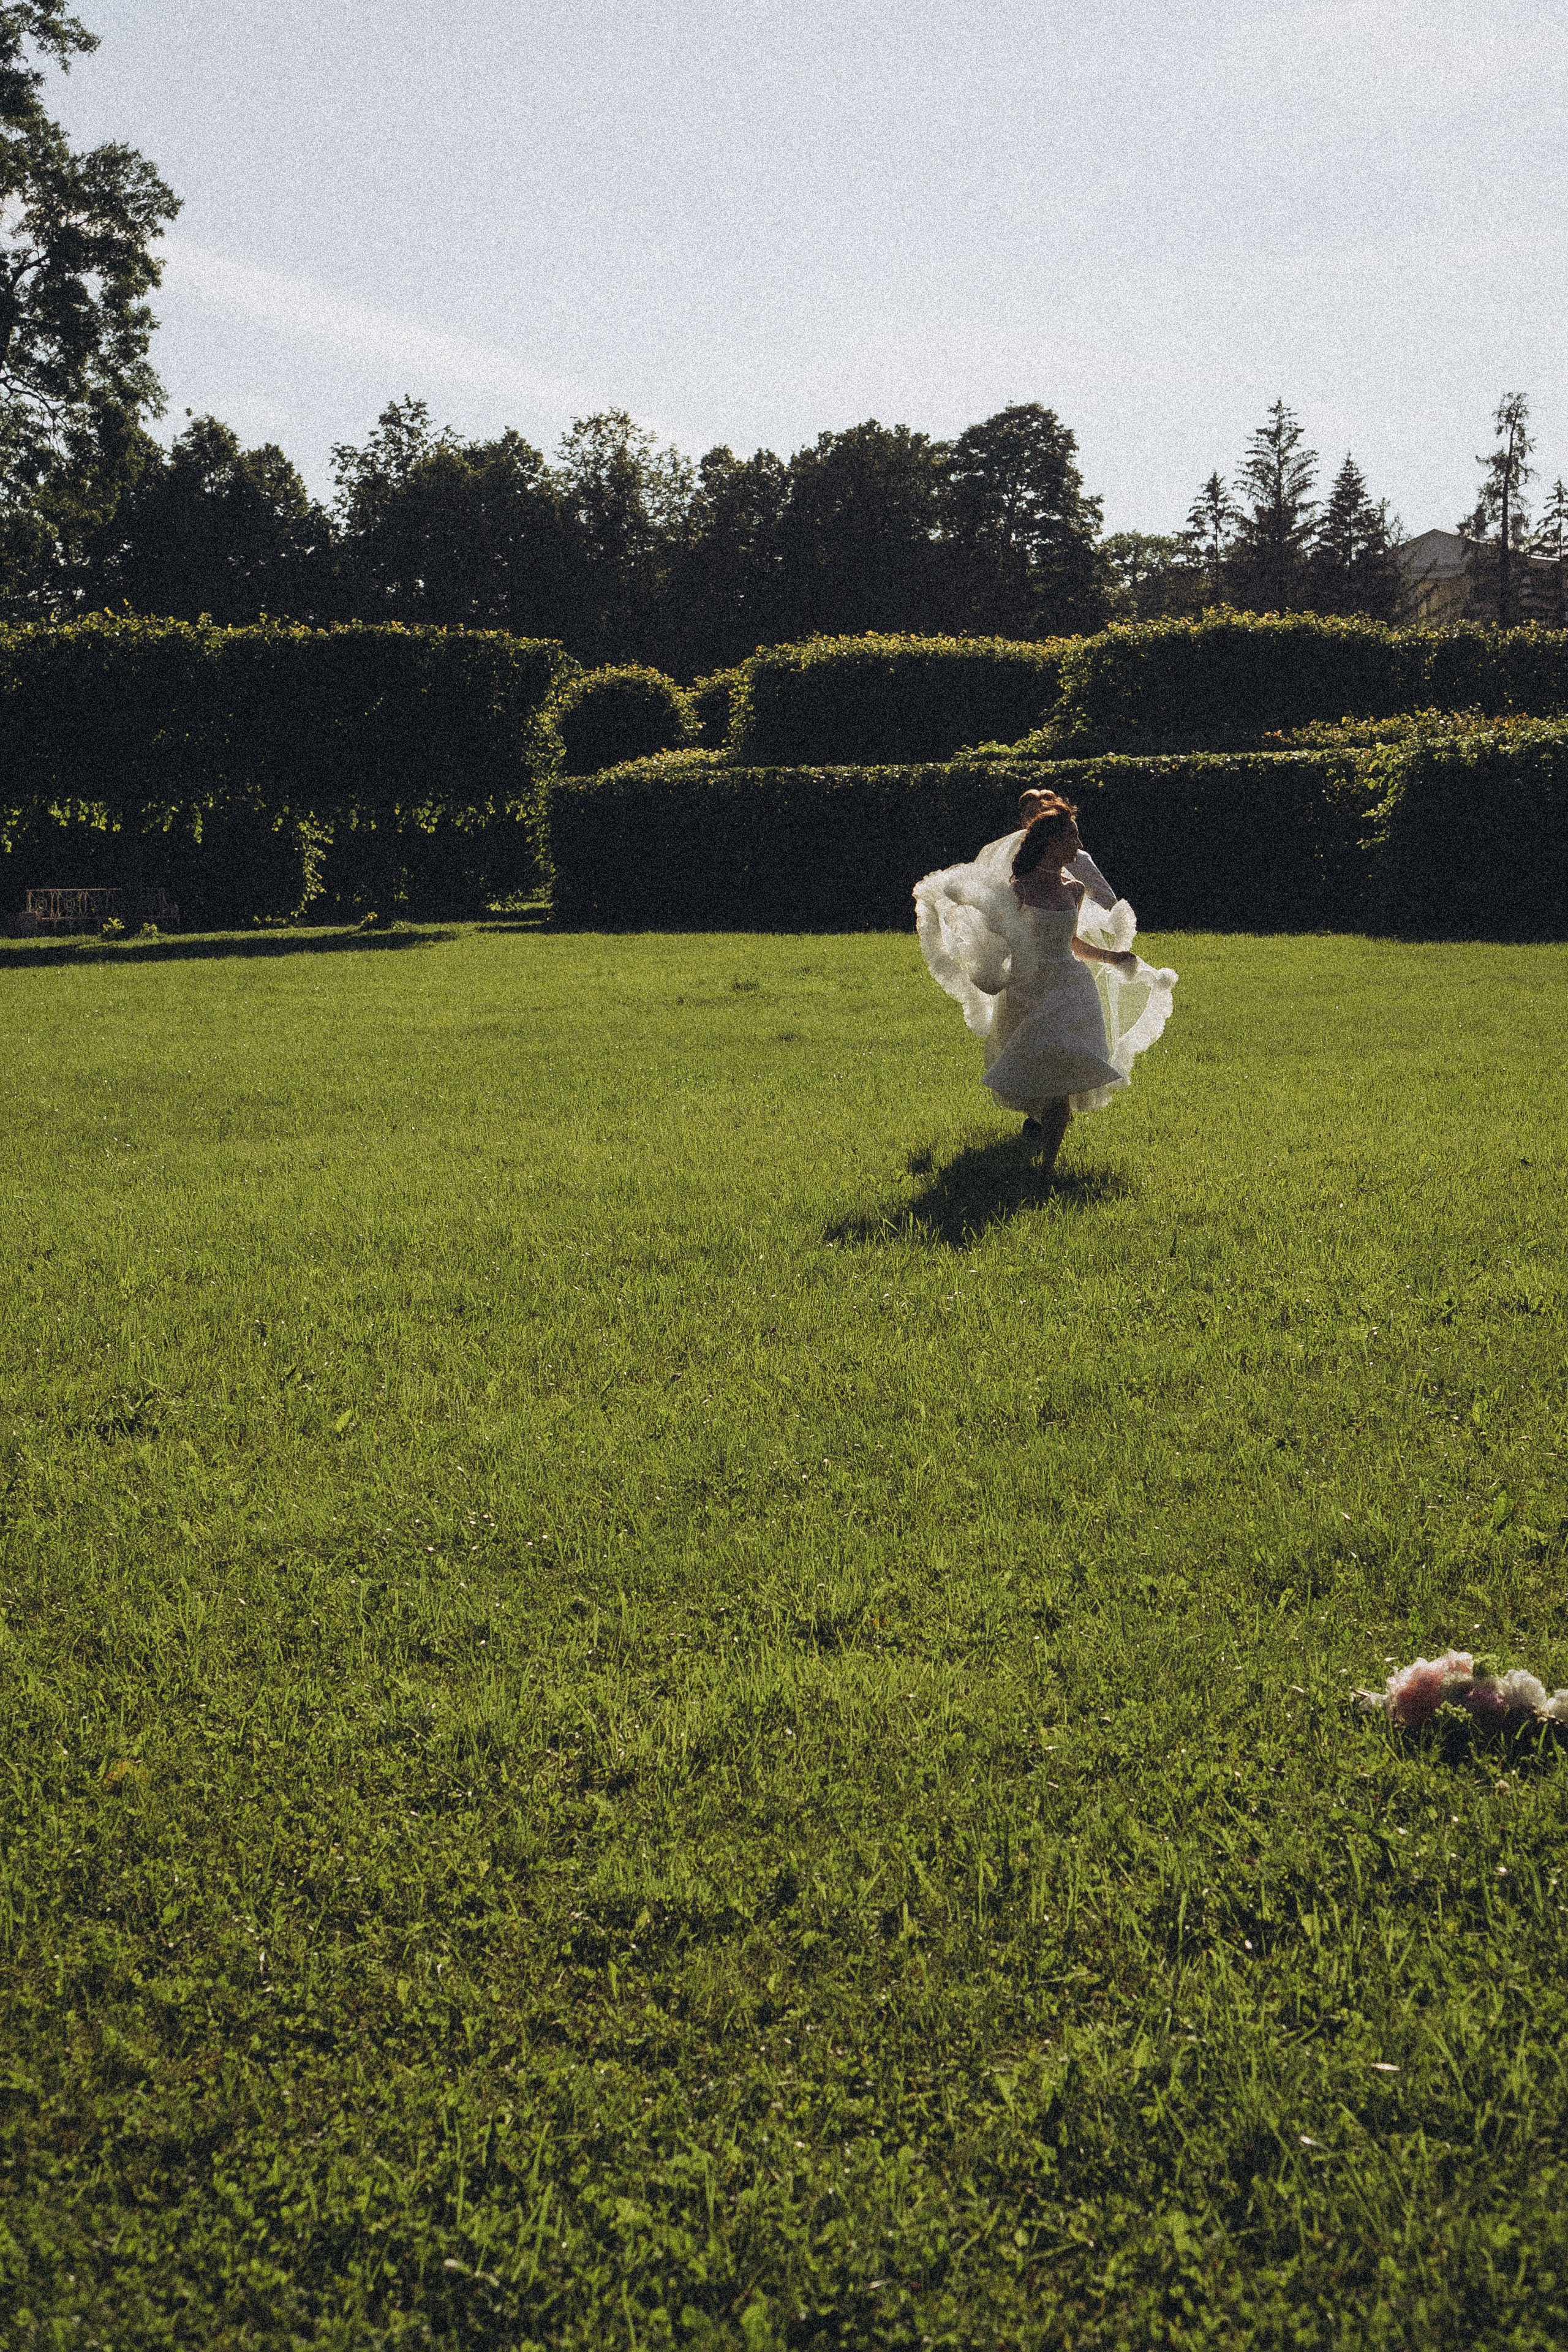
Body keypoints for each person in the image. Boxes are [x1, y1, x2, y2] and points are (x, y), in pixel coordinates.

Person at [914, 796, 1177, 1178]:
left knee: (1063, 1070)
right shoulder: (1017, 890)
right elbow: (997, 941)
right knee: (1042, 1069)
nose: (1079, 844)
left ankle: (1048, 1166)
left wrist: (1113, 957)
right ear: (1051, 843)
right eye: (1072, 837)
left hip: (1072, 988)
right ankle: (1041, 1143)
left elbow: (1073, 944)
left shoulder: (1074, 890)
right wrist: (989, 968)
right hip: (1029, 989)